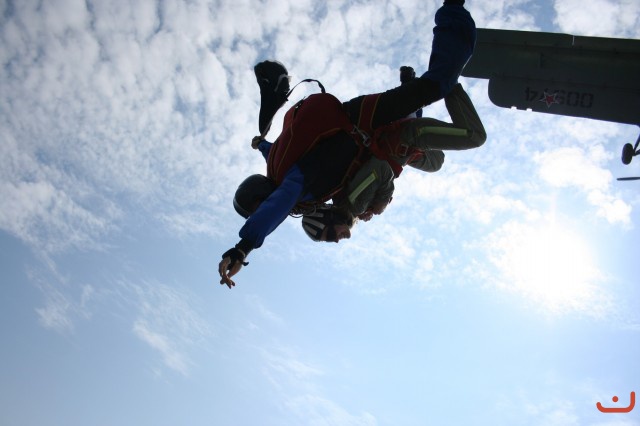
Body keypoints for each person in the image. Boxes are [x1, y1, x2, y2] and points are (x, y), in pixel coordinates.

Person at [219, 0, 477, 288]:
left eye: (258, 207)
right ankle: (422, 79)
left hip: (361, 120)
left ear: (261, 195)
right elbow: (273, 154)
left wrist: (243, 247)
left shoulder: (291, 183)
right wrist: (261, 144)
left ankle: (452, 10)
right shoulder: (284, 168)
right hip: (363, 126)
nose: (263, 210)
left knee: (437, 84)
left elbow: (277, 204)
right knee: (431, 142)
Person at [301, 81, 486, 242]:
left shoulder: (353, 204)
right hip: (401, 149)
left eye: (330, 235)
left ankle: (448, 82)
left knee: (474, 136)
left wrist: (380, 204)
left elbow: (381, 169)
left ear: (330, 219)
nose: (336, 240)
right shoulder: (350, 203)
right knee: (436, 162)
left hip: (409, 137)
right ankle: (411, 103)